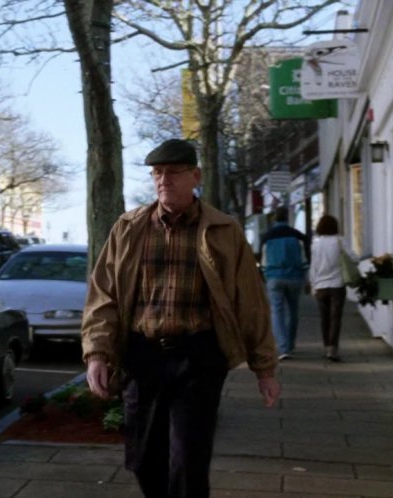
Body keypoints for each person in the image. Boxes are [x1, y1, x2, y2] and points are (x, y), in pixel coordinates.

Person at [81, 138, 281, 498]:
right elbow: (103, 296)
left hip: (198, 357)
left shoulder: (223, 231)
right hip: (142, 356)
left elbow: (250, 302)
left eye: (173, 173)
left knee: (188, 462)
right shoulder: (129, 228)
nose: (163, 180)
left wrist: (264, 368)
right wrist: (97, 353)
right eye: (157, 173)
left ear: (195, 176)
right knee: (143, 459)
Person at [260, 206, 309, 360]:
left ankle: (282, 347)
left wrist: (264, 275)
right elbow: (304, 259)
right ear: (288, 218)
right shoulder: (298, 236)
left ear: (275, 218)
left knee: (276, 311)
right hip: (294, 277)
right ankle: (290, 343)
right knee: (293, 311)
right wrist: (306, 278)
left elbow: (263, 261)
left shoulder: (267, 237)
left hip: (274, 277)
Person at [308, 214, 354, 361]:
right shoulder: (339, 241)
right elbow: (353, 257)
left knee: (324, 318)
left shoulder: (315, 244)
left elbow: (313, 267)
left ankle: (326, 345)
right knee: (335, 318)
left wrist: (313, 285)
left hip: (321, 285)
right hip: (337, 284)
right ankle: (332, 349)